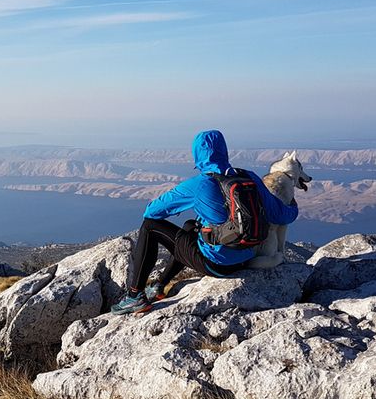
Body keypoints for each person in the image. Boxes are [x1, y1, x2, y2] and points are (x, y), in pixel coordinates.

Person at [111, 129, 299, 315]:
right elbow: (282, 215)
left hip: (216, 264)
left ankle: (135, 296)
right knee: (190, 227)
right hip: (246, 256)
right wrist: (293, 205)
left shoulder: (200, 183)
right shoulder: (248, 177)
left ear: (197, 154)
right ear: (224, 150)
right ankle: (159, 286)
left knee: (150, 227)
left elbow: (151, 212)